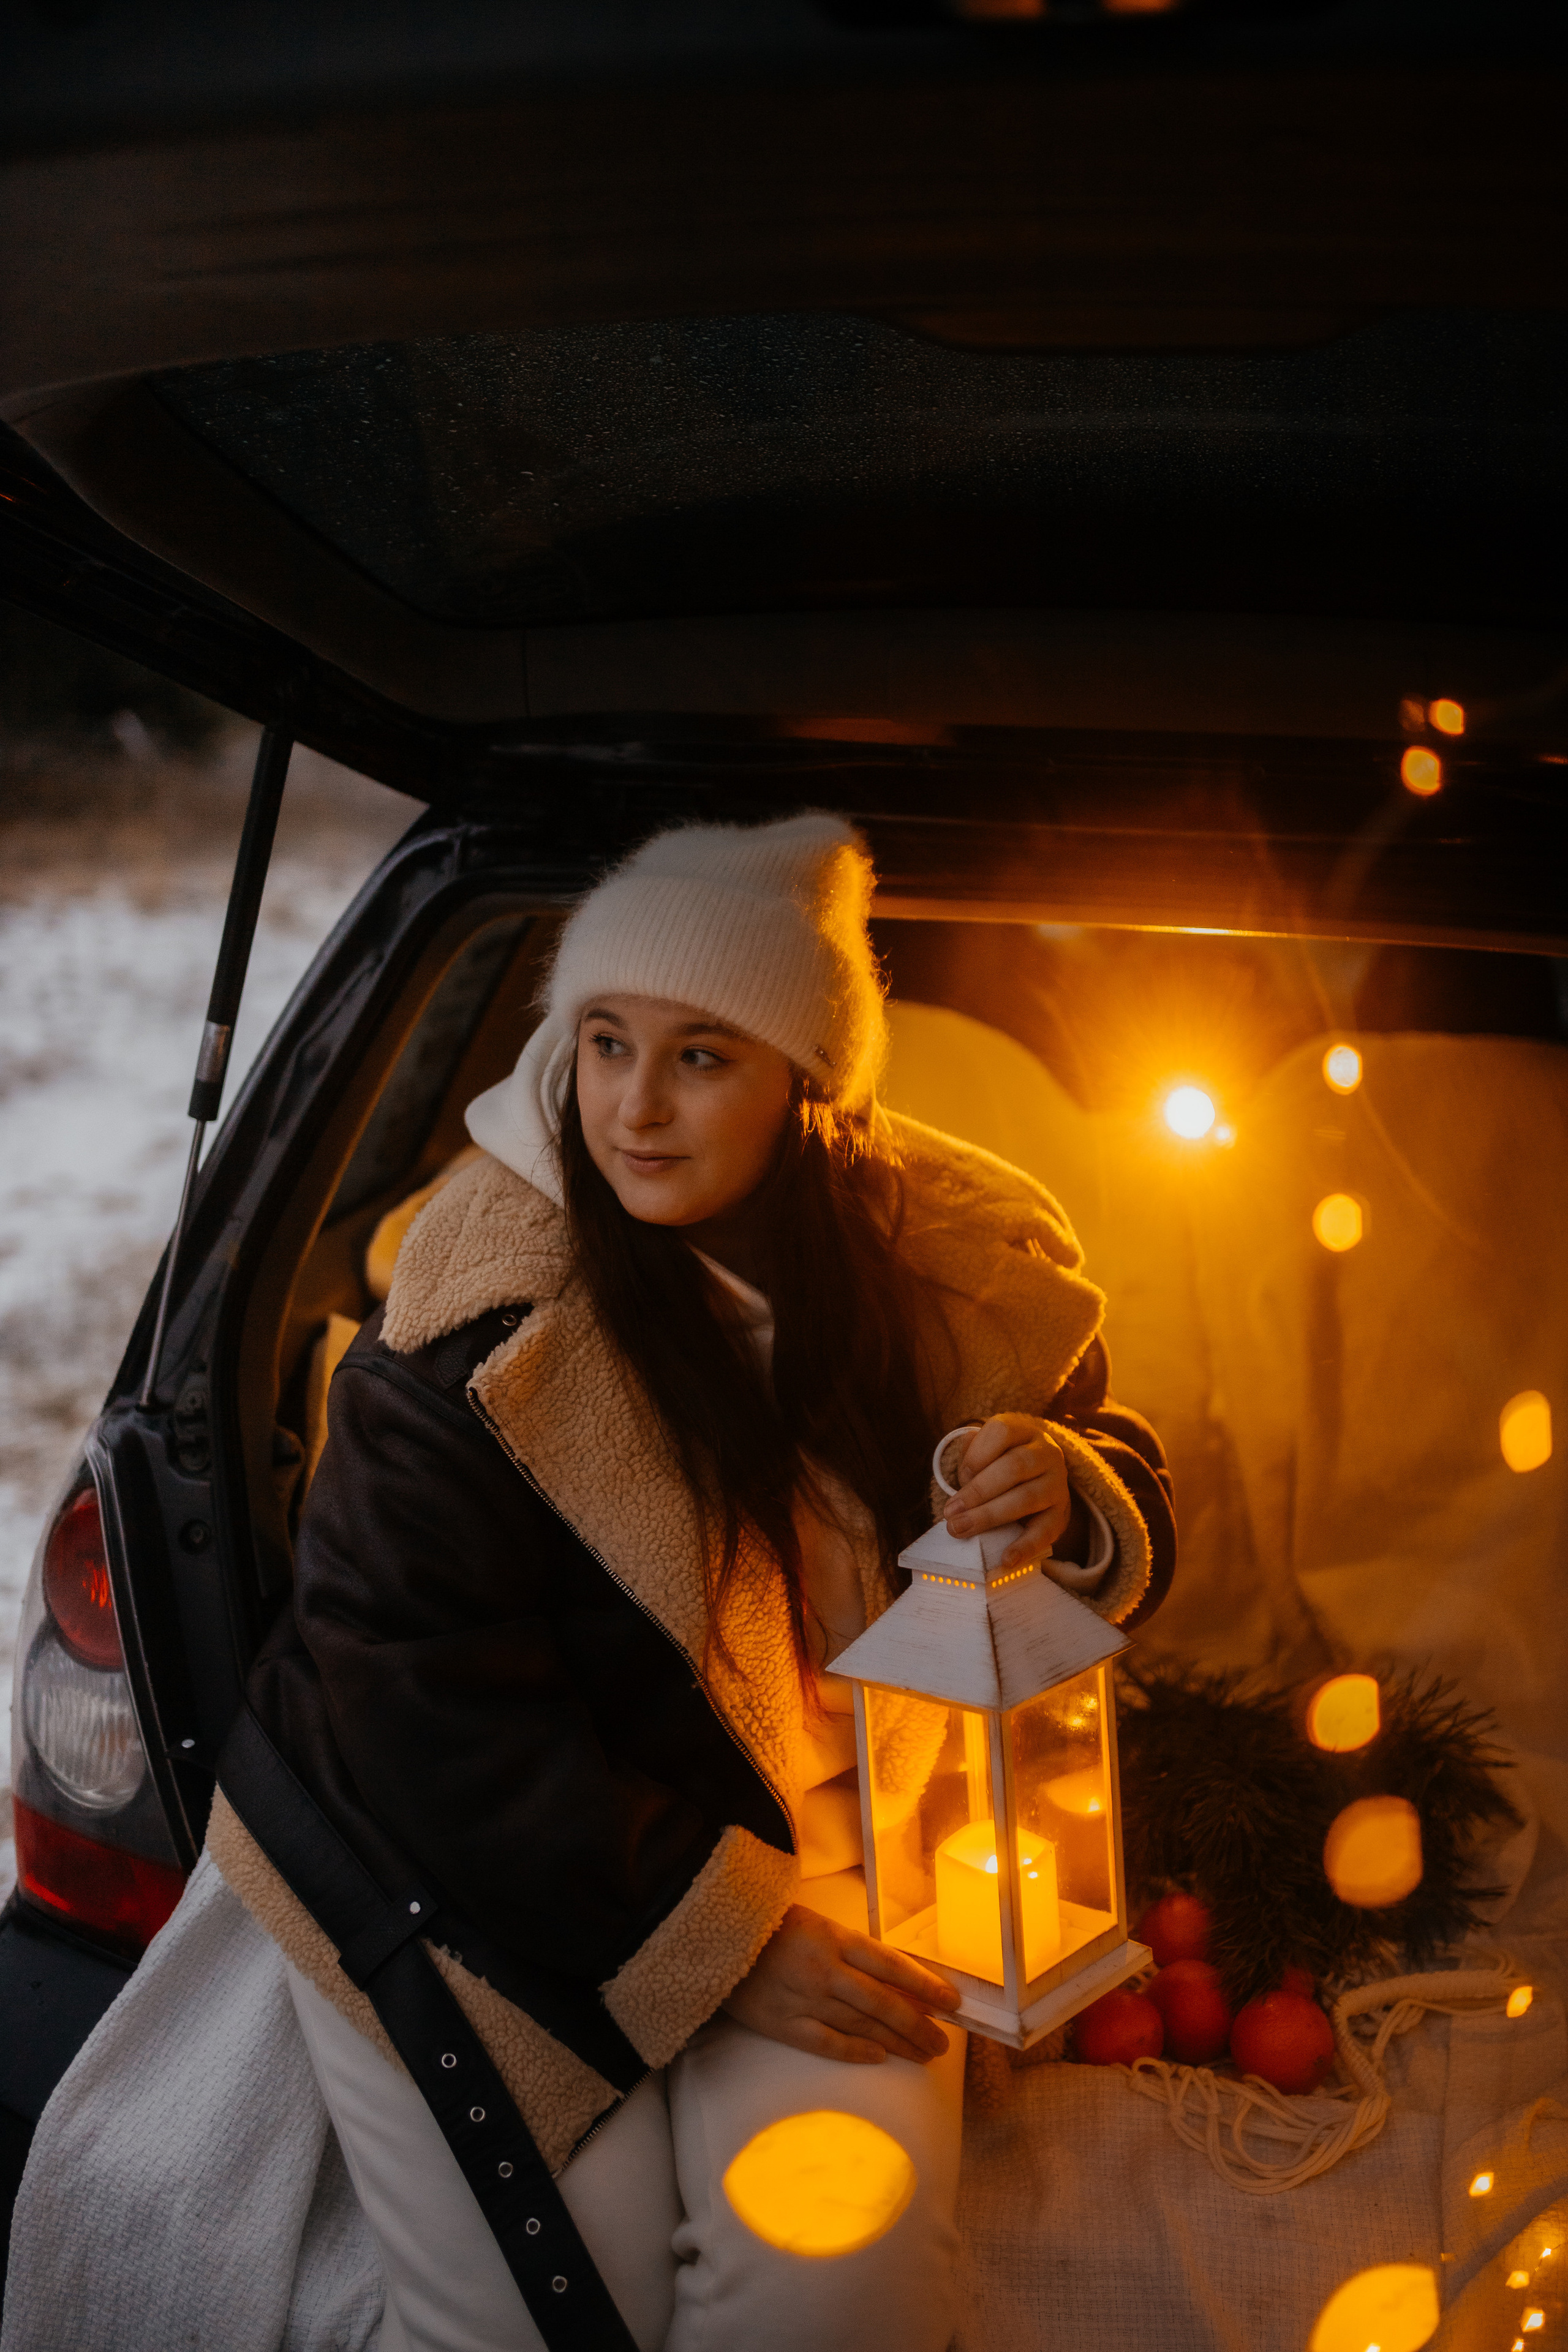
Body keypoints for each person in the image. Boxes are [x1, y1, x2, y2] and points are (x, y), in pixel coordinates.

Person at [206, 812, 1176, 2352]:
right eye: (603, 1043)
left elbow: (1093, 1425)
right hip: (465, 1860)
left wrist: (1067, 1487)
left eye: (702, 1056)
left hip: (839, 1857)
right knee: (556, 2306)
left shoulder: (926, 1255)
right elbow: (408, 1693)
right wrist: (721, 1945)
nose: (633, 1110)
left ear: (807, 1085)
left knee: (834, 2284)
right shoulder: (476, 1319)